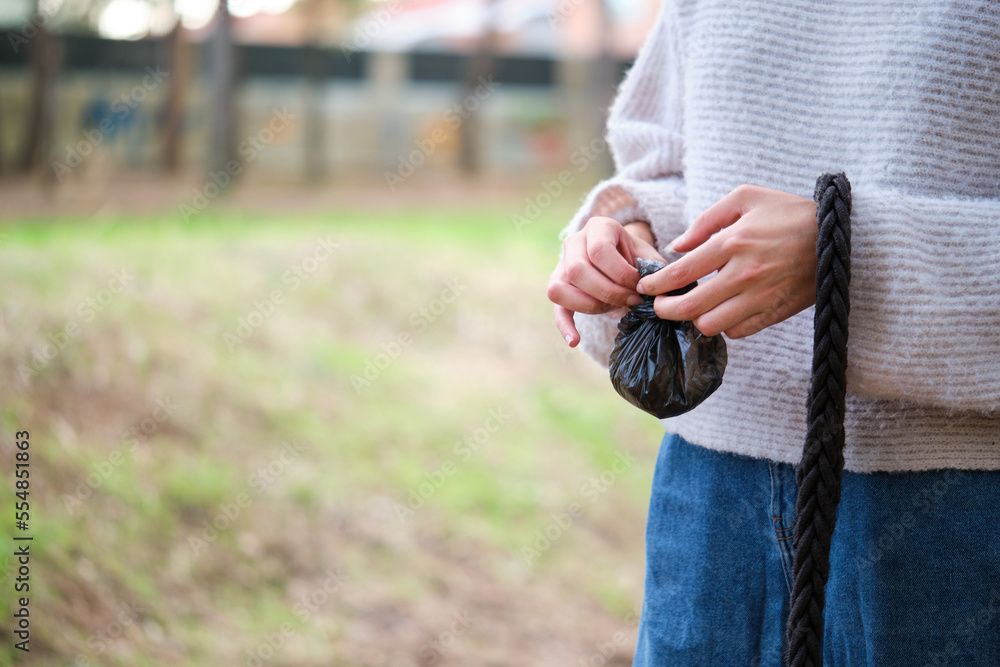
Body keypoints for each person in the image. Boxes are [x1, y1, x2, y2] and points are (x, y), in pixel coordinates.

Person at [546, 1, 1000, 665]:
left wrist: (852, 251)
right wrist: (627, 239)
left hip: (956, 513)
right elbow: (664, 167)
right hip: (705, 503)